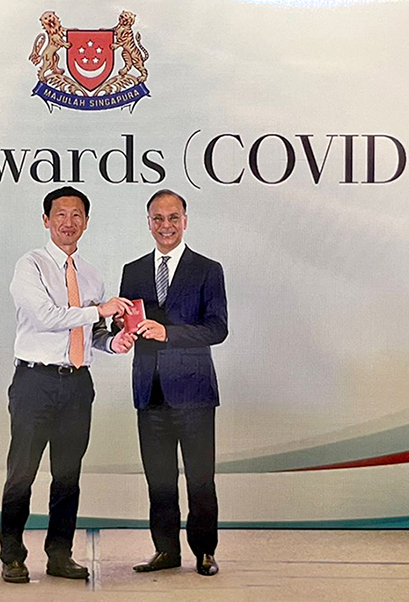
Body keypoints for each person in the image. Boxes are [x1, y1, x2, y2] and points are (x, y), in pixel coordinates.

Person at [0, 186, 135, 584]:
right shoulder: (30, 266)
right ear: (46, 220)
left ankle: (60, 555)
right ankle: (12, 557)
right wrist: (99, 310)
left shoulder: (90, 274)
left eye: (77, 215)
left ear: (86, 223)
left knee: (67, 476)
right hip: (35, 382)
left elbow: (91, 332)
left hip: (77, 385)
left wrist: (113, 341)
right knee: (22, 473)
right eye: (60, 214)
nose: (68, 222)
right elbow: (47, 316)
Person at [117, 189, 228, 576]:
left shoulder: (208, 269)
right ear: (149, 223)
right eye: (158, 219)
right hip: (149, 392)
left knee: (201, 479)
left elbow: (217, 329)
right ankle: (166, 550)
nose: (166, 226)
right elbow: (128, 321)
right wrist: (120, 330)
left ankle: (205, 551)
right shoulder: (132, 271)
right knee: (159, 480)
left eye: (173, 218)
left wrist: (169, 333)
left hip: (194, 394)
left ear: (185, 221)